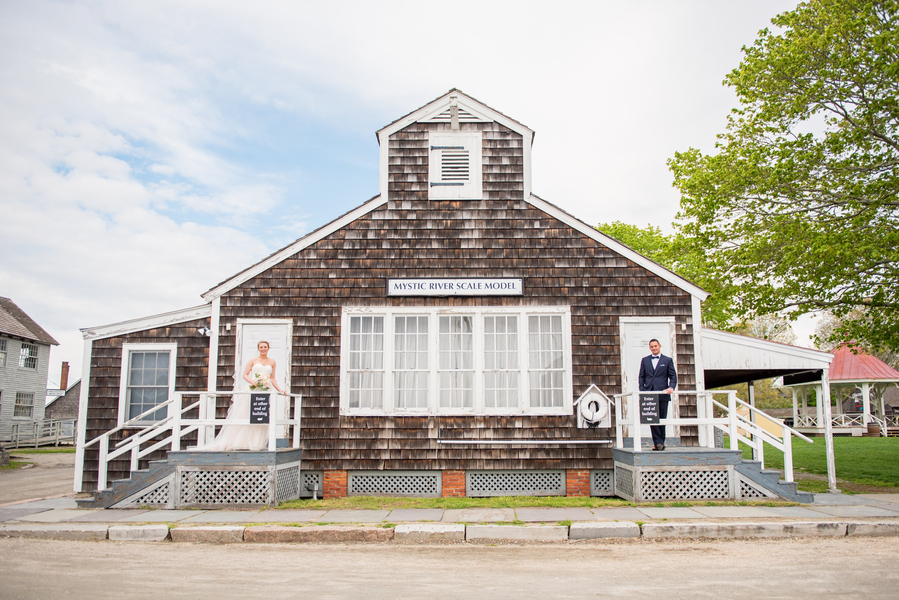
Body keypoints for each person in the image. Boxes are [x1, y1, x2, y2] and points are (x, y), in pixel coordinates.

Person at [197, 340, 285, 451]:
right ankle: (240, 442)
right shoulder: (253, 360)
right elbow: (245, 374)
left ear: (268, 348)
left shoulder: (272, 362)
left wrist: (280, 389)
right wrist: (253, 382)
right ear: (258, 348)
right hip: (252, 389)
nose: (263, 349)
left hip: (265, 390)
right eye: (261, 347)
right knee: (246, 414)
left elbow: (272, 378)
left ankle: (255, 443)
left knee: (260, 415)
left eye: (265, 347)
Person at [638, 338, 677, 451]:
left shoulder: (667, 360)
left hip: (663, 393)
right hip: (649, 393)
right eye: (651, 346)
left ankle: (660, 442)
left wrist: (671, 387)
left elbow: (673, 376)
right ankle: (658, 442)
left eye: (655, 346)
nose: (654, 348)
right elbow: (641, 376)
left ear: (659, 346)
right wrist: (642, 390)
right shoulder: (645, 360)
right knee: (652, 418)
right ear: (649, 348)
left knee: (662, 418)